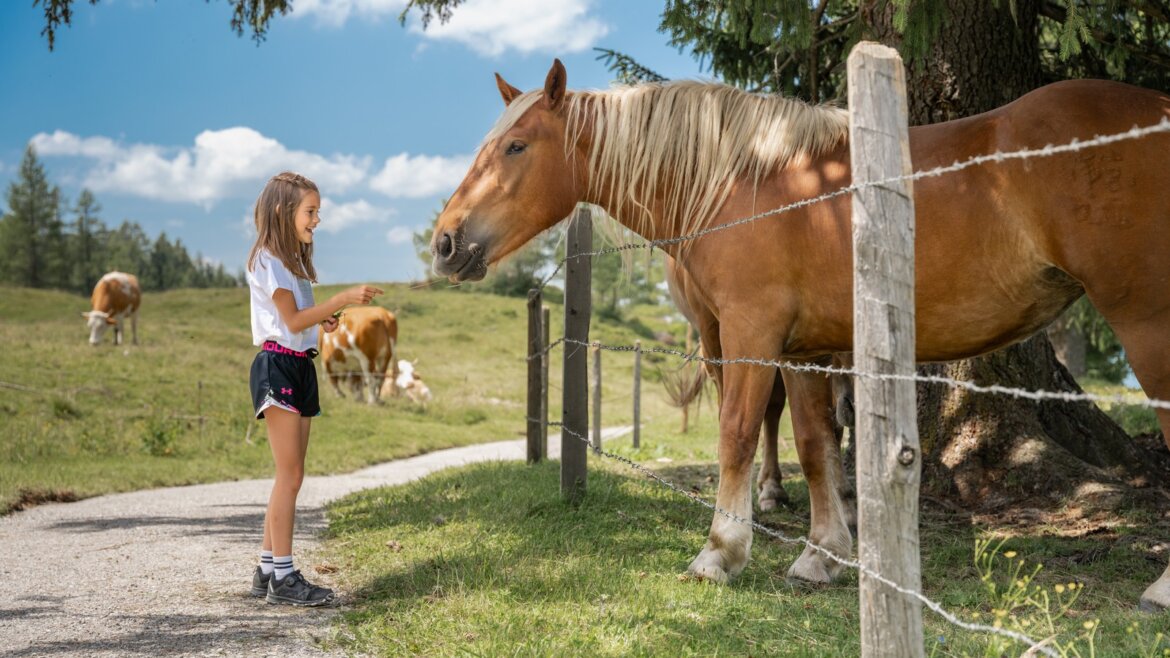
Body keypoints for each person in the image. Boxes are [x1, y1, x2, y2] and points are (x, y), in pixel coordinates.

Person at [244, 171, 383, 606]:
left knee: (291, 474)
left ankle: (268, 568)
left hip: (301, 365)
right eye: (311, 211)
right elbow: (290, 322)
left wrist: (321, 317)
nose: (316, 219)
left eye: (318, 211)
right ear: (285, 212)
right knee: (291, 475)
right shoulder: (268, 258)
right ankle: (285, 579)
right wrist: (340, 300)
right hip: (278, 366)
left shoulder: (293, 266)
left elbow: (302, 318)